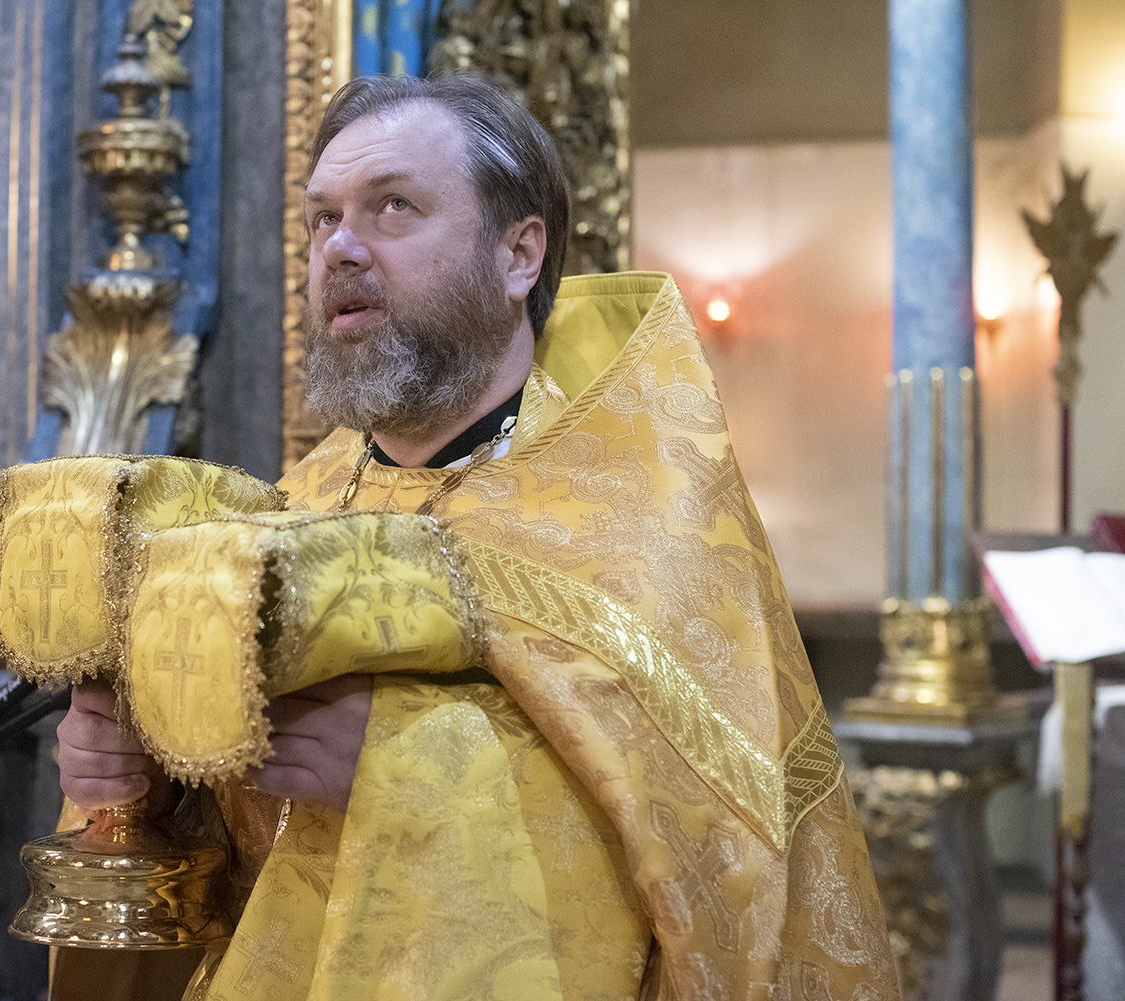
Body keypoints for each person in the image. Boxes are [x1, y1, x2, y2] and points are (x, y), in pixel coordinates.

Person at [56, 74, 898, 1000]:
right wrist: (150, 789)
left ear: (518, 254)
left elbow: (730, 870)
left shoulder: (650, 525)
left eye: (393, 207)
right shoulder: (293, 508)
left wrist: (403, 770)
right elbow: (233, 854)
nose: (340, 246)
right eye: (322, 218)